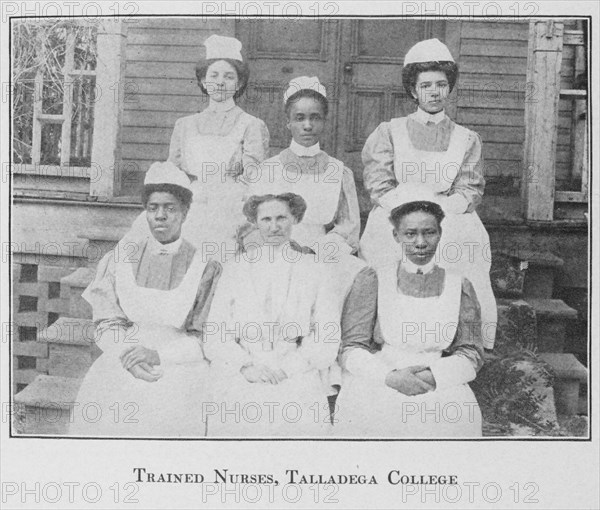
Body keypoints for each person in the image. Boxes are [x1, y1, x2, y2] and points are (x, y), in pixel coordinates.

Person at [359, 38, 497, 349]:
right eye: (426, 85)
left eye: (441, 84)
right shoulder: (389, 131)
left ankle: (457, 339)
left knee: (459, 246)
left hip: (449, 214)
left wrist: (444, 209)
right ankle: (389, 335)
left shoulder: (466, 138)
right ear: (413, 90)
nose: (434, 92)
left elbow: (470, 186)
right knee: (390, 248)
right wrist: (408, 210)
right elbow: (379, 182)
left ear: (450, 88)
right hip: (398, 213)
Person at [69, 162, 222, 437]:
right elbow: (106, 321)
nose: (160, 216)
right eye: (153, 208)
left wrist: (159, 355)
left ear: (185, 212)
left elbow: (206, 336)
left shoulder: (205, 266)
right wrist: (128, 355)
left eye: (170, 208)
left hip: (179, 365)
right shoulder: (121, 259)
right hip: (125, 356)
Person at [244, 76, 364, 400]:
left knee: (344, 278)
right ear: (287, 122)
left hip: (323, 251)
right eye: (300, 118)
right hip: (275, 246)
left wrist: (327, 246)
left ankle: (326, 373)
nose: (308, 125)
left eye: (315, 118)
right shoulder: (270, 168)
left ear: (324, 121)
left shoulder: (338, 170)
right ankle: (269, 363)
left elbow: (349, 225)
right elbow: (254, 223)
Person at [335, 192, 484, 437]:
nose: (420, 242)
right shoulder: (373, 279)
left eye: (429, 232)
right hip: (381, 377)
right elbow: (351, 347)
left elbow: (471, 351)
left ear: (440, 234)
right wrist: (390, 377)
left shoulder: (460, 285)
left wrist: (433, 376)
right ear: (396, 236)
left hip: (437, 381)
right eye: (410, 233)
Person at [203, 193, 340, 437]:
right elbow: (215, 331)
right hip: (243, 367)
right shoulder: (236, 268)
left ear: (295, 219)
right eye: (266, 219)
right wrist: (245, 366)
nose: (274, 227)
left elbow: (326, 334)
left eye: (281, 218)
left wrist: (288, 368)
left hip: (296, 367)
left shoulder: (316, 270)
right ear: (255, 222)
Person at [126, 34, 270, 261]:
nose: (220, 82)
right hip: (189, 201)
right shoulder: (185, 125)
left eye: (229, 76)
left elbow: (254, 177)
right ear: (203, 81)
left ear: (239, 83)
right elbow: (172, 174)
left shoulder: (251, 125)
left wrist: (227, 200)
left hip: (230, 205)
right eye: (213, 75)